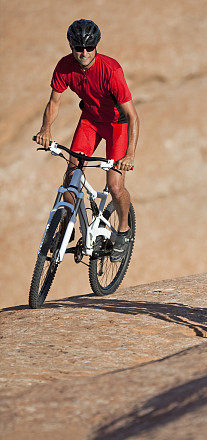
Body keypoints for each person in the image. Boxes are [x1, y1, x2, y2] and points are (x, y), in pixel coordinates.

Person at [34, 19, 140, 261]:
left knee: (114, 185)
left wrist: (129, 155)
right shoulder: (64, 67)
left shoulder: (111, 70)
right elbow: (54, 102)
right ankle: (66, 226)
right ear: (71, 47)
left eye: (89, 48)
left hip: (116, 126)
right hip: (90, 121)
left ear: (96, 46)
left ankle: (123, 231)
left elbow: (133, 116)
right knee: (71, 176)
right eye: (78, 48)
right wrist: (45, 129)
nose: (83, 53)